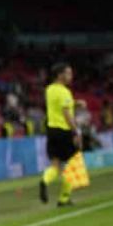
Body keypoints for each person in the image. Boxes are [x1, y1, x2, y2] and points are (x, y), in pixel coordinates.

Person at [39, 63, 80, 207]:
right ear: (60, 75)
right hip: (64, 131)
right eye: (68, 73)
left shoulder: (49, 90)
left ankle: (44, 180)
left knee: (55, 165)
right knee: (72, 166)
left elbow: (59, 104)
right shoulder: (65, 92)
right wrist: (75, 131)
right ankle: (64, 198)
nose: (71, 76)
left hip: (51, 131)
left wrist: (76, 103)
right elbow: (66, 112)